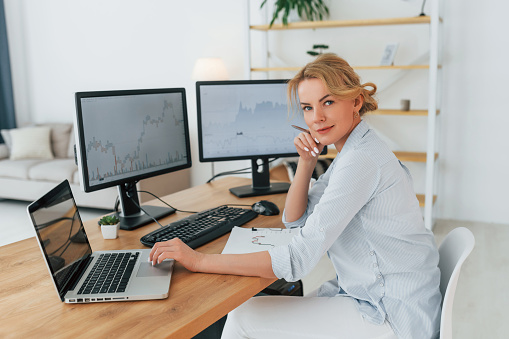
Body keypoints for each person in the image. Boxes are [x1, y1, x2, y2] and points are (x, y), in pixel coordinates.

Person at [149, 53, 442, 339]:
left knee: (243, 317)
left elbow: (297, 260)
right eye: (307, 107)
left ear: (356, 100)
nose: (317, 118)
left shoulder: (360, 161)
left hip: (389, 313)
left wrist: (199, 260)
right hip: (385, 296)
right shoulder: (355, 149)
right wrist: (306, 161)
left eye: (328, 102)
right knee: (255, 312)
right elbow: (295, 219)